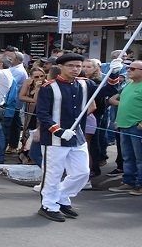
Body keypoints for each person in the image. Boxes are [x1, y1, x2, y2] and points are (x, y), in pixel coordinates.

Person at [35, 53, 121, 221]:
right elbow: (43, 114)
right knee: (53, 174)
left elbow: (109, 90)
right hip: (54, 139)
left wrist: (114, 73)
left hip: (77, 137)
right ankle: (48, 205)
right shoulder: (49, 87)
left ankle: (61, 197)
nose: (75, 69)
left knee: (82, 173)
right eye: (71, 66)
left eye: (78, 66)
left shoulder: (85, 83)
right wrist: (59, 131)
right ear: (60, 67)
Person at [107, 60, 142, 196]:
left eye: (132, 69)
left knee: (139, 158)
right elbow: (114, 99)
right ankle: (129, 182)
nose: (128, 71)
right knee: (127, 156)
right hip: (124, 125)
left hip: (136, 127)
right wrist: (118, 119)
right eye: (128, 68)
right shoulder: (128, 85)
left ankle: (140, 184)